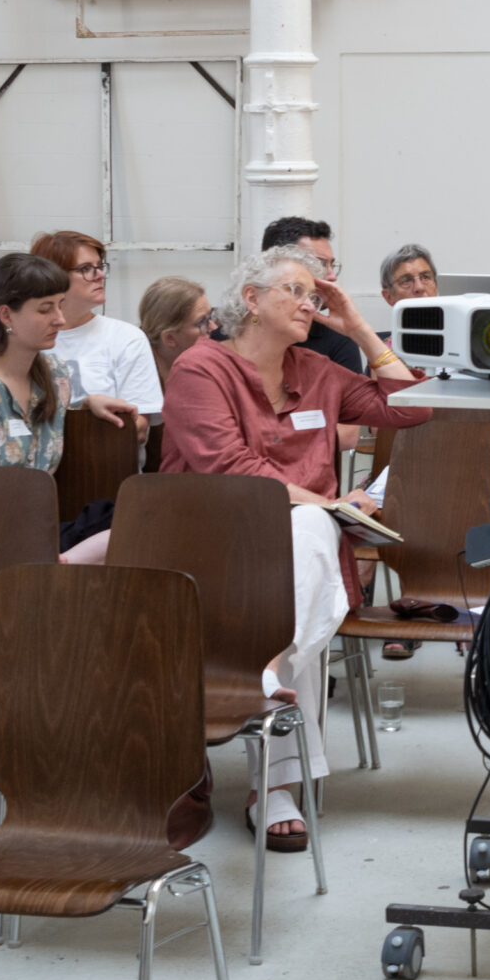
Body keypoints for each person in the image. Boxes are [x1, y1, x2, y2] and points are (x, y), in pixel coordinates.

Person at [162, 245, 431, 848]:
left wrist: (359, 326)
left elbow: (414, 407)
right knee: (311, 535)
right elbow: (227, 467)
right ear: (251, 300)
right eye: (296, 291)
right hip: (209, 544)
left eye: (317, 295)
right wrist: (329, 505)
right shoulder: (200, 370)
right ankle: (277, 784)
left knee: (306, 542)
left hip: (296, 555)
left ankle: (263, 679)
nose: (310, 304)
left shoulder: (316, 371)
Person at [0, 254, 144, 487]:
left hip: (42, 517)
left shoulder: (56, 374)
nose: (60, 320)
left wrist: (87, 404)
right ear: (6, 315)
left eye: (61, 306)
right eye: (45, 310)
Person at [32, 229, 165, 432]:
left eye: (99, 266)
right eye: (86, 268)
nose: (100, 275)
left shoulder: (126, 338)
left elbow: (138, 428)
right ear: (53, 277)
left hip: (103, 459)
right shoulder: (26, 340)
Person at [259, 215, 366, 373]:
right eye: (319, 264)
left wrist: (359, 330)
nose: (332, 276)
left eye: (332, 265)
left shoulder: (337, 338)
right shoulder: (230, 336)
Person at [139, 275, 214, 393]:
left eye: (210, 316)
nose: (213, 327)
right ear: (169, 338)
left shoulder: (207, 367)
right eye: (201, 322)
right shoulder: (138, 379)